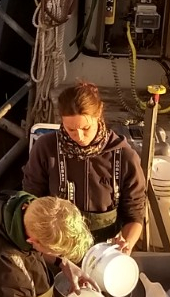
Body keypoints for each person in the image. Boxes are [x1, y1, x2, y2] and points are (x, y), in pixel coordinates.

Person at [22, 81, 147, 249]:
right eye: (71, 130)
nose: (79, 137)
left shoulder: (125, 157)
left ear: (99, 114)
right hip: (57, 250)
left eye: (86, 128)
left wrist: (126, 244)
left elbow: (134, 215)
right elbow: (31, 199)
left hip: (105, 252)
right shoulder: (45, 148)